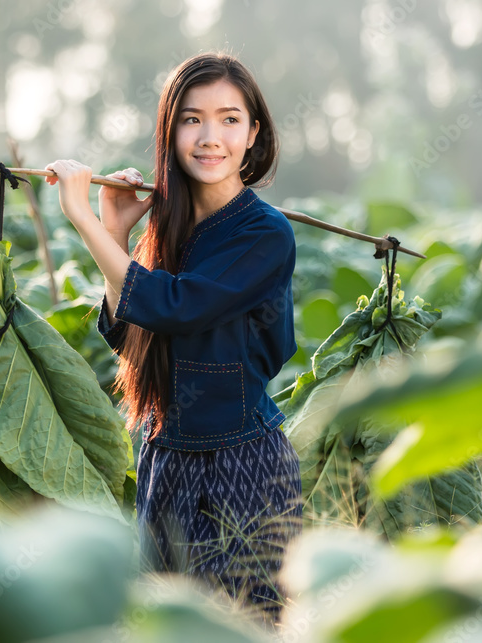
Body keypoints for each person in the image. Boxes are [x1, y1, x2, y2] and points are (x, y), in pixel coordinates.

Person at [44, 51, 302, 630]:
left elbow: (174, 306)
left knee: (244, 630)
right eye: (192, 119)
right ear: (170, 131)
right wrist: (116, 229)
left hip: (244, 463)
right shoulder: (170, 226)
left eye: (230, 119)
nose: (211, 137)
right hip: (166, 460)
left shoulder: (266, 234)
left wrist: (84, 221)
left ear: (254, 133)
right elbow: (129, 332)